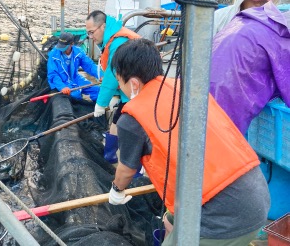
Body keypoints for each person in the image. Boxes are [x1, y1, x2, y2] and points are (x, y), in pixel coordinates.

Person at [108, 38, 270, 245]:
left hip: (225, 220)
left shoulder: (132, 119)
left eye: (119, 81)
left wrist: (117, 191)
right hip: (257, 194)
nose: (120, 87)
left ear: (133, 83)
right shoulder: (184, 88)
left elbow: (126, 169)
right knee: (169, 219)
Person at [210, 1, 290, 135]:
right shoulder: (281, 41)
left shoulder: (252, 21)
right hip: (230, 95)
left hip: (202, 87)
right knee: (222, 141)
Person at [85, 10, 140, 164]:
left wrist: (101, 103)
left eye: (91, 32)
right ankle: (110, 154)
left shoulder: (118, 43)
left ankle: (134, 168)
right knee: (116, 120)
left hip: (137, 93)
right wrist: (116, 95)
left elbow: (111, 75)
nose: (90, 37)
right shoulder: (112, 39)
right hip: (127, 92)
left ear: (102, 26)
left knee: (131, 129)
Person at [47, 32, 102, 102]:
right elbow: (53, 75)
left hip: (75, 78)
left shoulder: (79, 52)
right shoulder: (53, 55)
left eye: (64, 46)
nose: (61, 49)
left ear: (72, 44)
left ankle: (98, 108)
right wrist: (62, 87)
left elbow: (90, 66)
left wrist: (101, 75)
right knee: (75, 95)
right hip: (63, 81)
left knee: (97, 90)